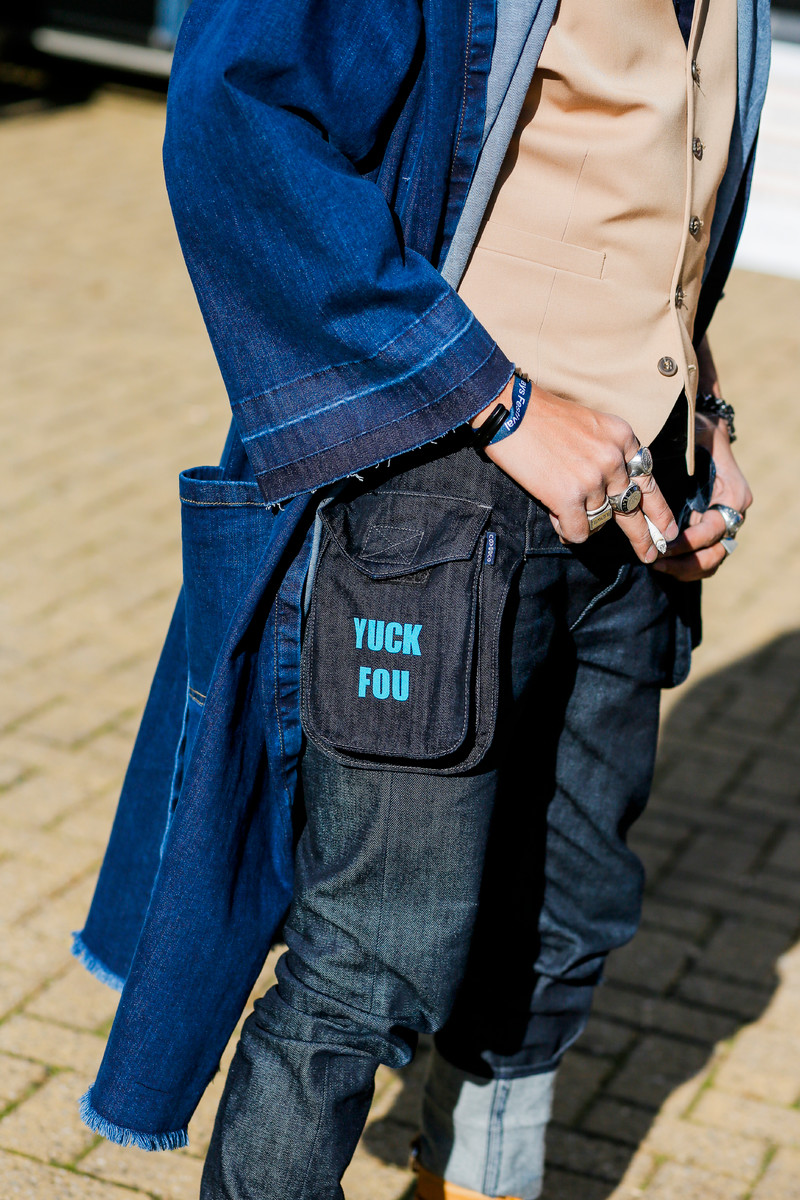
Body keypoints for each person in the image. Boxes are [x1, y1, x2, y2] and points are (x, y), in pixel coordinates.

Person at [73, 1, 768, 1198]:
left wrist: (696, 407)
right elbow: (238, 120)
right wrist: (496, 402)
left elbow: (666, 174)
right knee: (370, 960)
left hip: (632, 494)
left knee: (559, 924)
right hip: (446, 478)